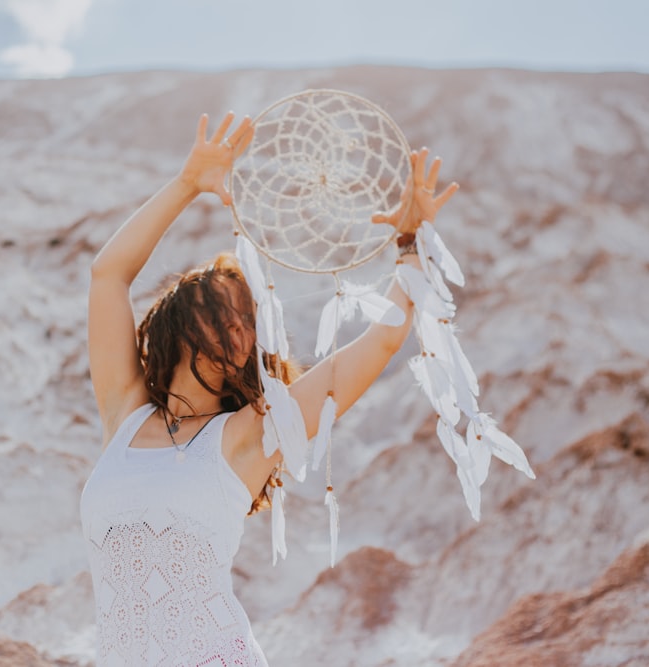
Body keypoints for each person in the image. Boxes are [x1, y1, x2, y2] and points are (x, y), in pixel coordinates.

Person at [80, 111, 458, 665]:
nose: (242, 327)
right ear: (182, 316)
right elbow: (107, 274)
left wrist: (407, 244)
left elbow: (380, 343)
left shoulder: (250, 434)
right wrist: (187, 184)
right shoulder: (126, 414)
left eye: (251, 320)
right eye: (228, 310)